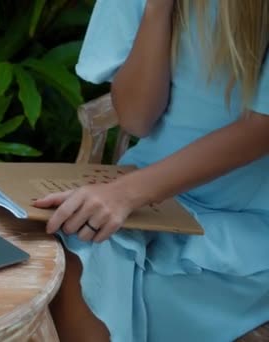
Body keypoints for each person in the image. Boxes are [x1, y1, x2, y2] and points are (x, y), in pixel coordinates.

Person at [32, 0, 269, 341]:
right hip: (151, 202)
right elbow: (136, 119)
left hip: (243, 224)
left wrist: (126, 194)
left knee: (81, 272)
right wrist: (158, 9)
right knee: (41, 248)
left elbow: (260, 131)